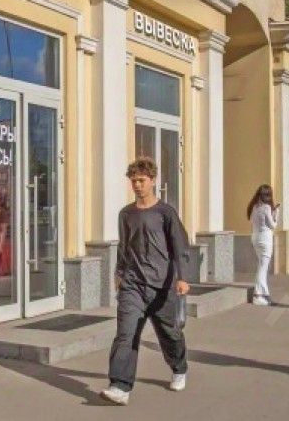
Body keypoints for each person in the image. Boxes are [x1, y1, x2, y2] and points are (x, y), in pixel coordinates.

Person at [100, 157, 191, 406]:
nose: (137, 185)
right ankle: (120, 386)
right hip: (133, 284)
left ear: (152, 180)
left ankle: (179, 367)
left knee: (169, 333)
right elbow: (124, 246)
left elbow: (180, 246)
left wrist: (182, 277)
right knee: (126, 334)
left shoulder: (166, 213)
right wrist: (119, 274)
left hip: (162, 286)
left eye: (141, 180)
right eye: (133, 181)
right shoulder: (126, 214)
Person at [247, 185, 279, 306]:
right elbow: (272, 225)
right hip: (265, 240)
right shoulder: (266, 208)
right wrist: (276, 214)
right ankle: (257, 295)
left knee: (261, 266)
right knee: (263, 267)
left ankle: (265, 294)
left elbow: (253, 222)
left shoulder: (254, 207)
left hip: (255, 238)